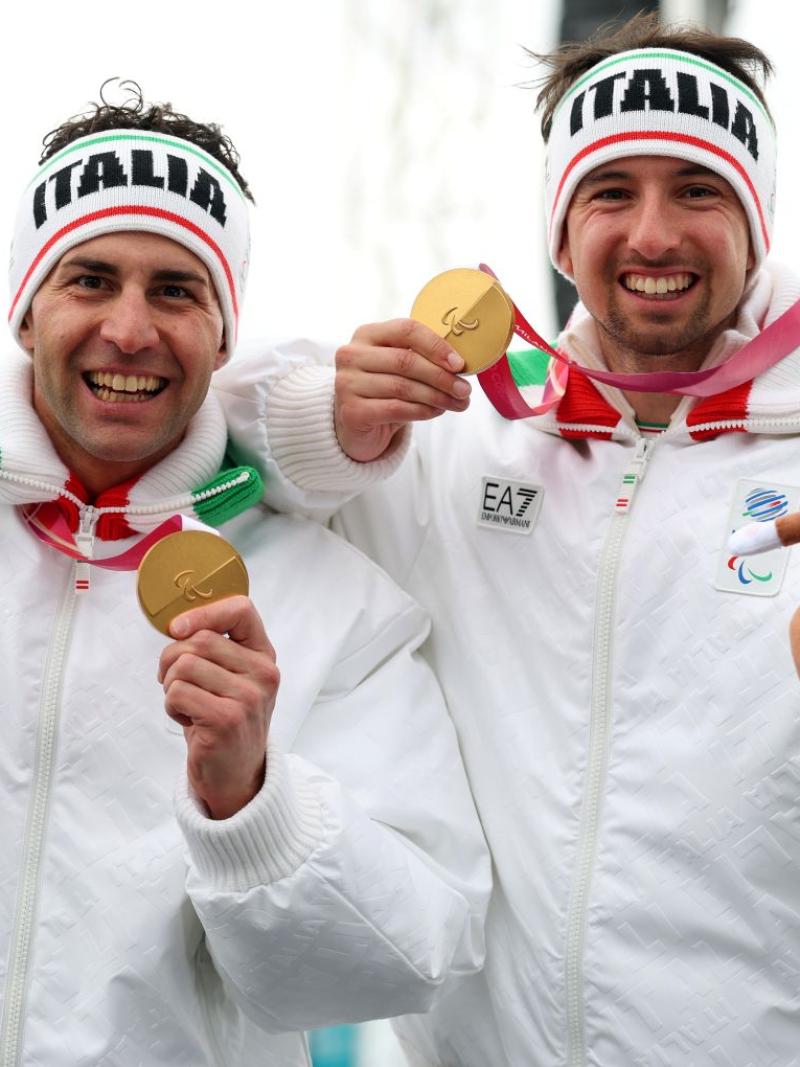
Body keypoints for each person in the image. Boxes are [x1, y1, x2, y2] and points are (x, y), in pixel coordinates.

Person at [218, 13, 800, 1066]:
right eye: (609, 192)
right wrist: (319, 423)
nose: (653, 234)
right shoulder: (456, 448)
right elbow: (177, 445)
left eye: (697, 190)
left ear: (755, 225)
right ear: (558, 234)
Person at [0, 90, 491, 1065]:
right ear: (24, 308)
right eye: (90, 279)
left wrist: (254, 804)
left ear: (224, 339)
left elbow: (412, 953)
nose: (129, 329)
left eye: (176, 291)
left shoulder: (331, 601)